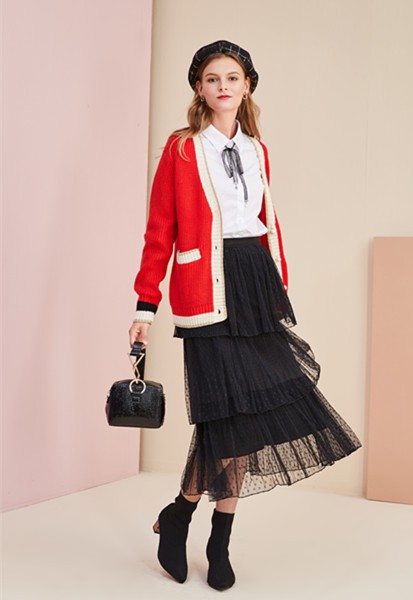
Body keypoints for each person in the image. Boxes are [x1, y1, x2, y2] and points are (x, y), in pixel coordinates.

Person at [128, 39, 362, 591]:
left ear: (247, 86)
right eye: (212, 78)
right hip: (204, 288)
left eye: (232, 78)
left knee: (248, 418)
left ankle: (209, 533)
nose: (223, 87)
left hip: (255, 285)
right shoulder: (182, 149)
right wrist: (145, 306)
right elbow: (160, 231)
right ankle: (186, 520)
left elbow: (266, 223)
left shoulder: (258, 150)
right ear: (199, 88)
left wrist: (278, 286)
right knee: (225, 420)